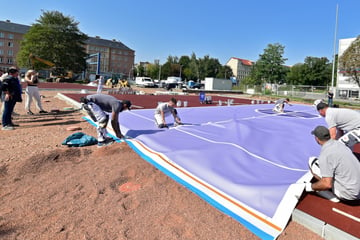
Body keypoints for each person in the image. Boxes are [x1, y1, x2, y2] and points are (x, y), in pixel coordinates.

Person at [306, 125, 360, 203]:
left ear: (317, 139)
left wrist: (310, 187)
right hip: (358, 190)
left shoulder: (325, 155)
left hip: (350, 197)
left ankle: (334, 195)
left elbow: (327, 184)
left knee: (313, 162)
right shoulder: (340, 144)